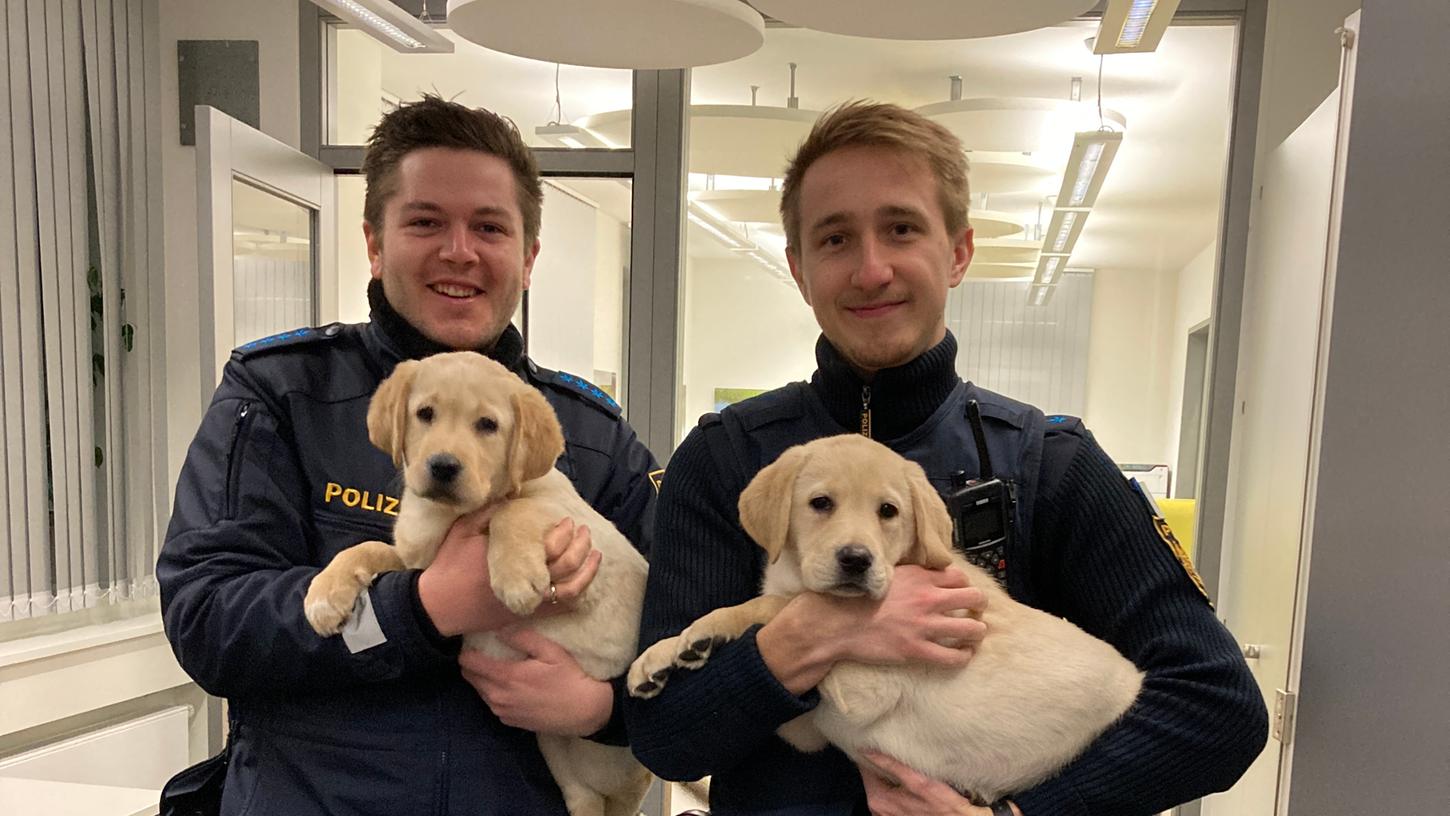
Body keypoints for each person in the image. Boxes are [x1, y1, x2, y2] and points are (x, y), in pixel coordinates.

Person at [626, 101, 1268, 816]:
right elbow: (664, 736)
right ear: (800, 269)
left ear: (958, 252)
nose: (872, 270)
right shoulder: (726, 459)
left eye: (901, 229)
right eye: (835, 239)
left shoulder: (1049, 463)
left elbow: (1218, 708)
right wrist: (808, 633)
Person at [158, 95, 658, 815]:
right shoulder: (283, 393)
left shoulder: (588, 434)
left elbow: (684, 638)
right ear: (373, 241)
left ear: (528, 258)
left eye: (490, 227)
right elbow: (211, 624)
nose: (460, 251)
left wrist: (603, 709)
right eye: (426, 222)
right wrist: (416, 610)